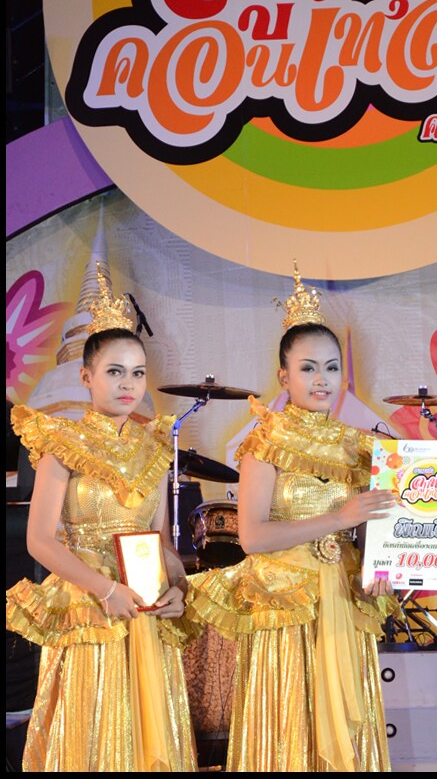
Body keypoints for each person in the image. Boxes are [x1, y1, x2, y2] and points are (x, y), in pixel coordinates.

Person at [186, 266, 399, 772]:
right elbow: (252, 536)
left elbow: (372, 519)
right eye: (307, 368)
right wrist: (338, 518)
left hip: (341, 597)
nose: (321, 379)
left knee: (345, 728)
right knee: (288, 728)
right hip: (285, 602)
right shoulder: (265, 439)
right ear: (284, 376)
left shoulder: (357, 444)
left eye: (331, 368)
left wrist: (380, 563)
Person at [6, 266, 199, 772]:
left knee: (145, 736)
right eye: (115, 372)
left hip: (143, 607)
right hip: (90, 604)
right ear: (86, 377)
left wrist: (176, 588)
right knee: (91, 735)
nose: (128, 384)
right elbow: (40, 540)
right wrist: (105, 589)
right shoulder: (61, 443)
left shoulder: (155, 449)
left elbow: (160, 540)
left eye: (137, 373)